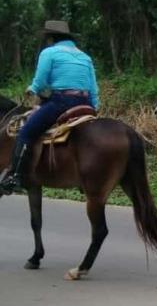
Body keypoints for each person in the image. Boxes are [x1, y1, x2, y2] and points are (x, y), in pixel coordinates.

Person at [0, 20, 99, 195]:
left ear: (51, 37)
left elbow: (41, 81)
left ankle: (16, 176)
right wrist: (94, 107)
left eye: (47, 37)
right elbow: (93, 89)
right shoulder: (85, 57)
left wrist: (32, 89)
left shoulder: (50, 52)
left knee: (26, 132)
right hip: (85, 104)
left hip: (61, 102)